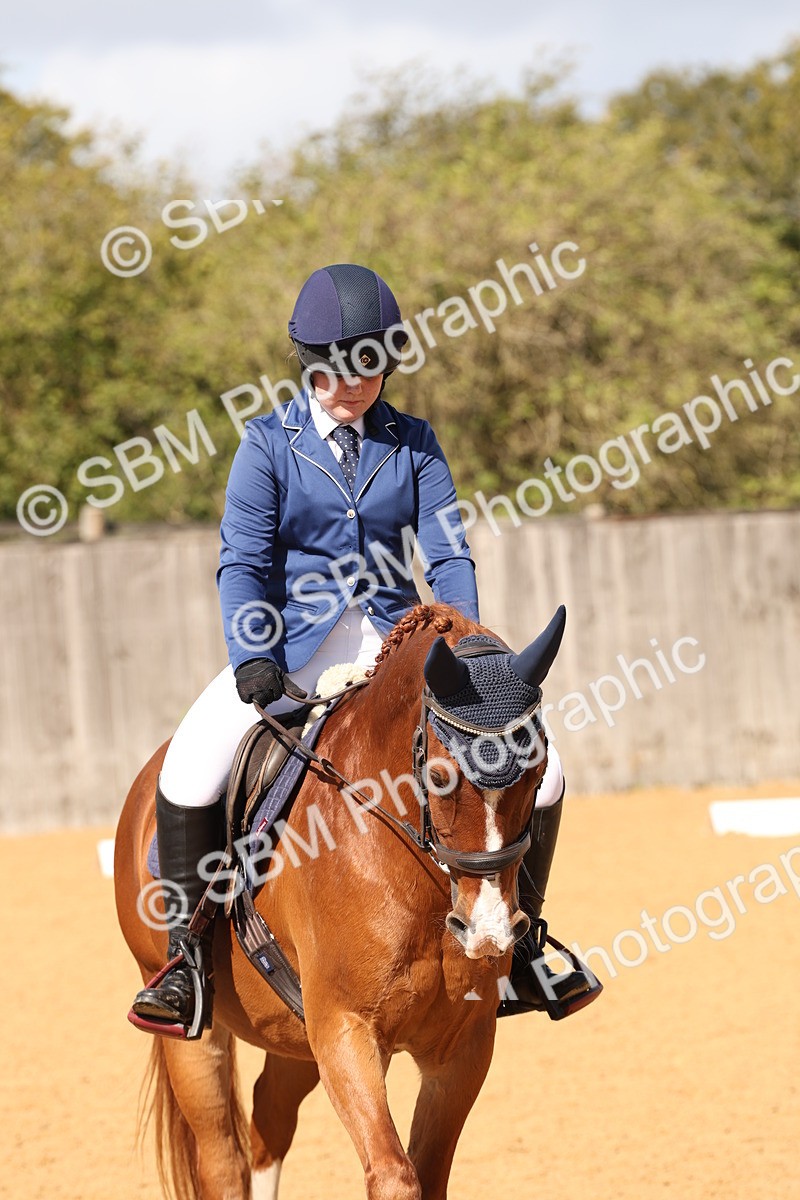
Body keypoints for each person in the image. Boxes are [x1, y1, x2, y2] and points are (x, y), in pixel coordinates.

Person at [130, 263, 599, 1032]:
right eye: (335, 370)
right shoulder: (267, 445)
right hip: (292, 647)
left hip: (399, 638)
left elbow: (448, 554)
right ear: (308, 363)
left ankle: (526, 944)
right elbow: (243, 561)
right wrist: (253, 650)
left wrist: (467, 647)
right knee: (191, 765)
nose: (352, 385)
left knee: (547, 776)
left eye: (370, 367)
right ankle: (185, 960)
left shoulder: (413, 444)